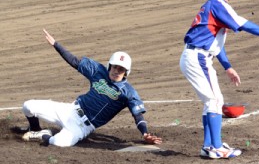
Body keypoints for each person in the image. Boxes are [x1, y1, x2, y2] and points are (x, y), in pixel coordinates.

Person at [179, 0, 259, 159]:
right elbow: (244, 25)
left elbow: (215, 43)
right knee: (213, 101)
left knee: (214, 101)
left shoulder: (215, 6)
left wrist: (228, 67)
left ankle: (209, 146)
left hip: (199, 56)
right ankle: (215, 147)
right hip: (197, 57)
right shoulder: (217, 4)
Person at [21, 29, 162, 147]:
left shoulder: (128, 92)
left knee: (58, 142)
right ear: (109, 66)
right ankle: (35, 129)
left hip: (82, 127)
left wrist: (144, 133)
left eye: (121, 69)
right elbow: (74, 61)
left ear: (126, 72)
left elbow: (138, 115)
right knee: (28, 106)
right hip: (69, 110)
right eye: (115, 67)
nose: (116, 71)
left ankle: (45, 135)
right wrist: (56, 45)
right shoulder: (98, 71)